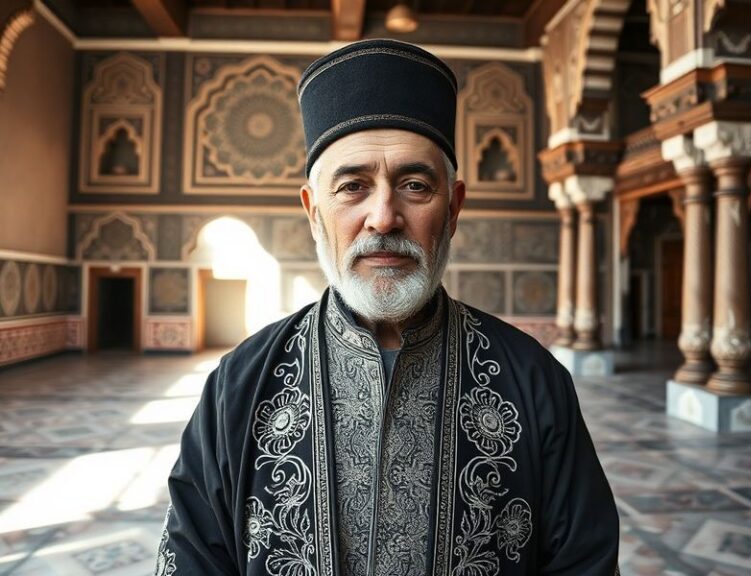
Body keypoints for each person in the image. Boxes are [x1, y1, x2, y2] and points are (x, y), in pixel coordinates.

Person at [155, 39, 620, 576]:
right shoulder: (240, 386)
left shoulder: (533, 381)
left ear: (453, 208)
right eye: (352, 187)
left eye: (415, 185)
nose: (383, 217)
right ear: (313, 211)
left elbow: (584, 562)